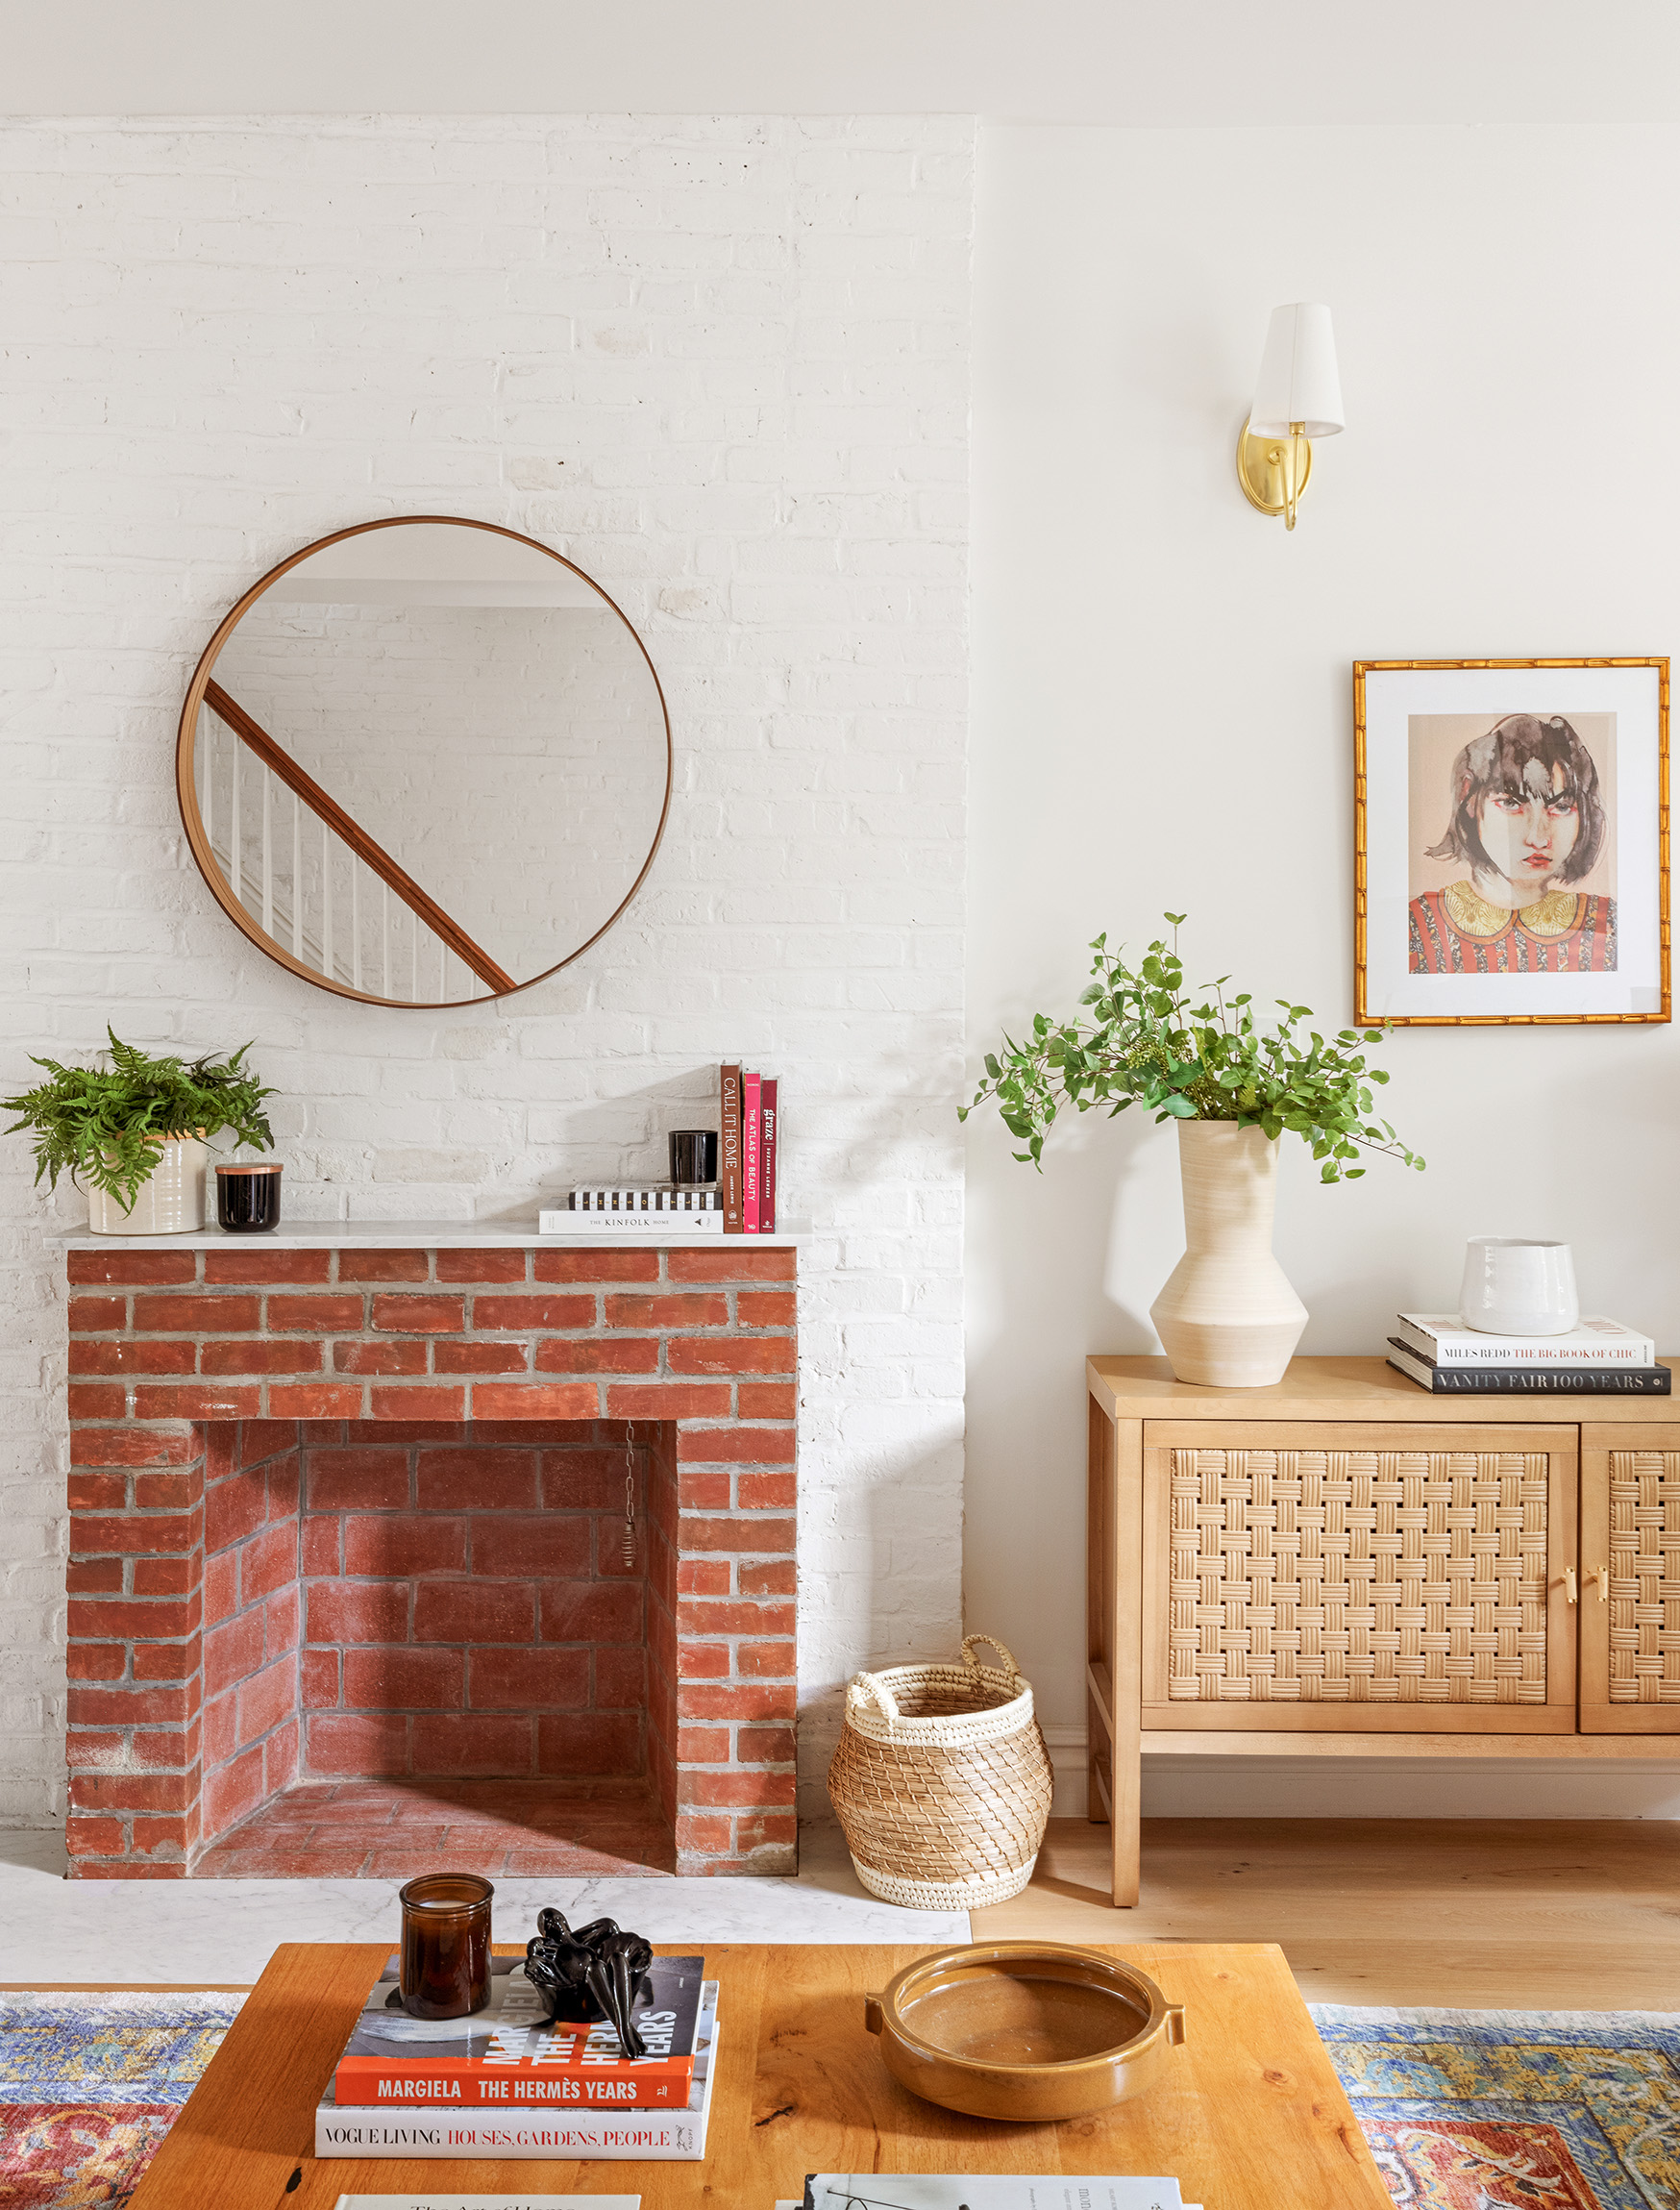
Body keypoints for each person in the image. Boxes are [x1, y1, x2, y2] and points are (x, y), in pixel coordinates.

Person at [1408, 712, 1616, 973]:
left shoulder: (1607, 923)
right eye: (1510, 803)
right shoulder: (1418, 924)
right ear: (1469, 799)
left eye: (1561, 807)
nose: (1538, 838)